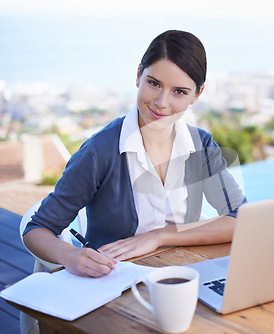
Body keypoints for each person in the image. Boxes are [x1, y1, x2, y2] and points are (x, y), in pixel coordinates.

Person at [23, 30, 247, 278]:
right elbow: (38, 228)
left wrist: (158, 236)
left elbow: (240, 218)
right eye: (154, 83)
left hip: (182, 277)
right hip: (112, 283)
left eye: (179, 91)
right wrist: (69, 255)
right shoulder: (100, 151)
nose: (162, 102)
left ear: (197, 94)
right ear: (139, 75)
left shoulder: (201, 146)